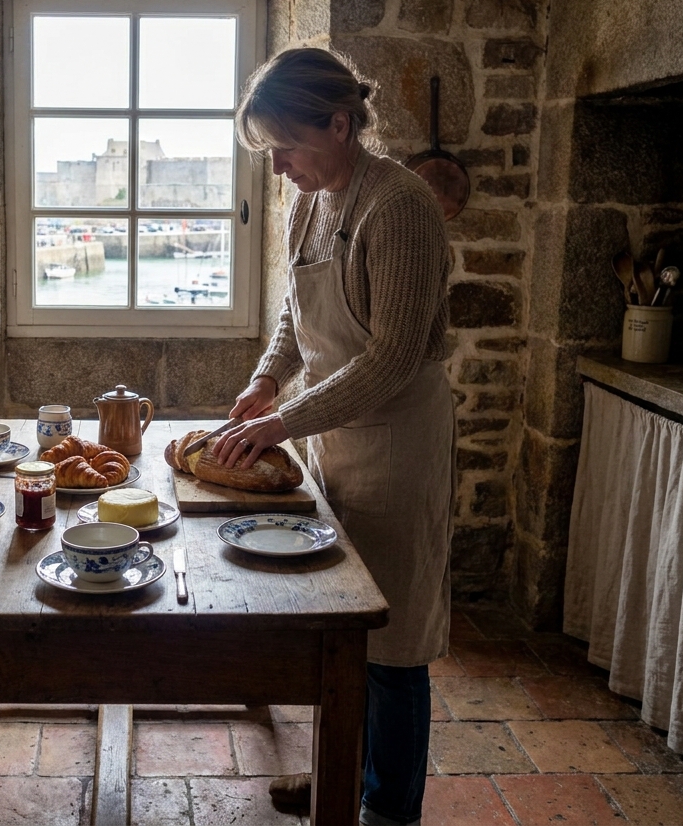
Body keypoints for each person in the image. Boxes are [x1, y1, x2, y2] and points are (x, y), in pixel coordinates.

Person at [214, 47, 455, 826]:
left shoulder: (401, 206)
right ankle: (339, 774)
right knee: (332, 627)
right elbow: (295, 315)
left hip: (395, 446)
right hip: (327, 435)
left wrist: (285, 419)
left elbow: (390, 358)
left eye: (285, 146)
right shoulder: (308, 205)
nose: (279, 167)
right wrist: (264, 381)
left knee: (391, 643)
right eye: (268, 152)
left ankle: (388, 808)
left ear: (341, 125)